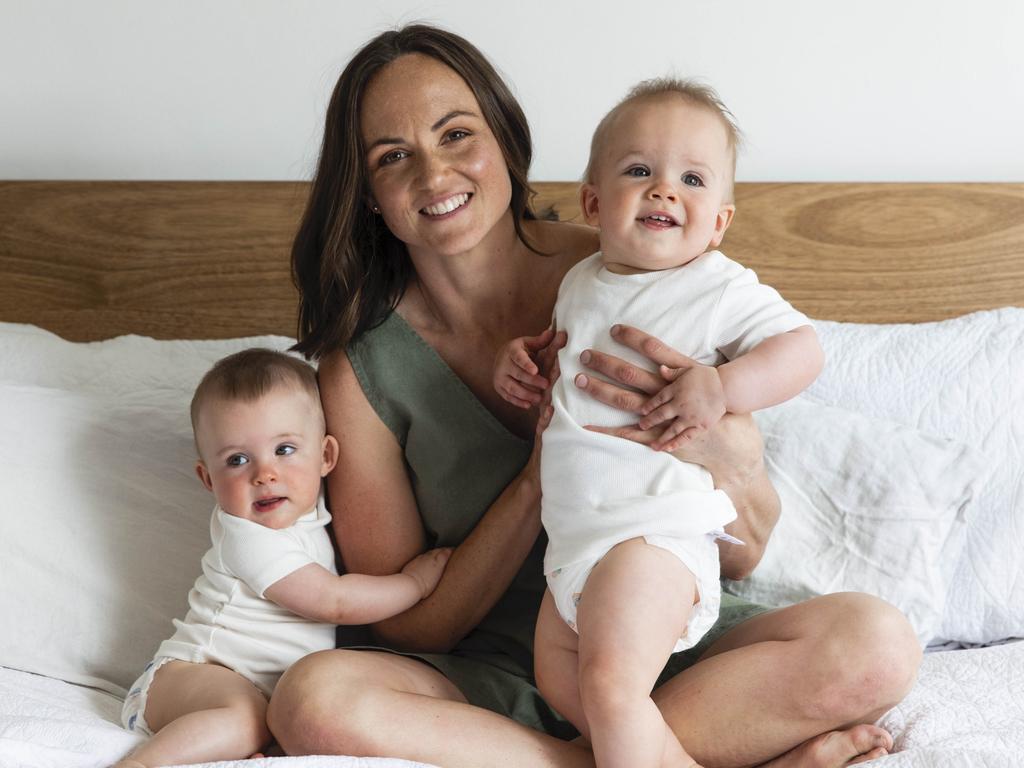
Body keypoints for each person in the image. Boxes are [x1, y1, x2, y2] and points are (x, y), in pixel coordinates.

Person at [268, 23, 921, 768]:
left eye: (456, 134)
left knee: (877, 644)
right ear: (371, 198)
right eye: (393, 156)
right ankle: (625, 754)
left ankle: (618, 748)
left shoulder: (638, 263)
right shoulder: (360, 372)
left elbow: (746, 552)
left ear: (507, 143)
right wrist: (535, 478)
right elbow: (414, 629)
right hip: (496, 680)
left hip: (670, 650)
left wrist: (723, 452)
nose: (434, 173)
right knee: (310, 701)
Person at [493, 78, 823, 768]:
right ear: (592, 202)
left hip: (651, 536)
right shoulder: (579, 280)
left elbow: (803, 350)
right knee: (564, 685)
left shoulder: (717, 286)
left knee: (611, 688)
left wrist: (722, 384)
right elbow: (566, 366)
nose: (664, 190)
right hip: (576, 545)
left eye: (692, 178)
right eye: (639, 170)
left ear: (720, 222)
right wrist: (520, 363)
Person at [116, 349, 451, 768]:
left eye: (285, 449)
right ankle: (140, 764)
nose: (264, 474)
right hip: (191, 674)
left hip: (251, 690)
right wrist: (415, 584)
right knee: (244, 720)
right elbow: (335, 601)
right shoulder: (247, 537)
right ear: (208, 480)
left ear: (326, 457)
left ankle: (237, 741)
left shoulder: (310, 507)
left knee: (262, 719)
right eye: (237, 460)